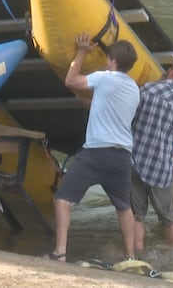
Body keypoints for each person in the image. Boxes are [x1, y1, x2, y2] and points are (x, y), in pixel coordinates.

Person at [43, 31, 140, 262]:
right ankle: (130, 258)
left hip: (96, 153)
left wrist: (82, 52)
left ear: (113, 62)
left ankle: (60, 252)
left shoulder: (104, 78)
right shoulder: (134, 89)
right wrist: (89, 102)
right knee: (124, 208)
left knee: (63, 199)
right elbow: (110, 107)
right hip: (123, 156)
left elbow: (71, 81)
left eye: (108, 59)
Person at [130, 55, 173, 252]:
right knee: (169, 218)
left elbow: (132, 117)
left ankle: (137, 254)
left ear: (172, 70)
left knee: (137, 215)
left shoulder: (148, 89)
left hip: (136, 160)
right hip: (162, 167)